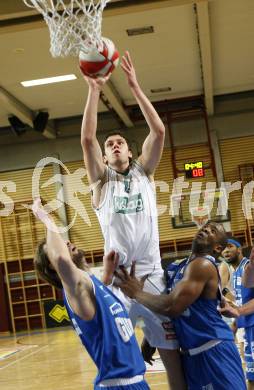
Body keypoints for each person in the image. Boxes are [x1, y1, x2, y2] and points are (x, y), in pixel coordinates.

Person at [81, 51, 186, 389]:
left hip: (152, 275)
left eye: (120, 142)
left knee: (172, 358)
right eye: (109, 143)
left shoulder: (144, 172)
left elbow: (158, 130)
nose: (113, 145)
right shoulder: (101, 182)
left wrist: (134, 86)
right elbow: (86, 140)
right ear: (105, 154)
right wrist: (94, 90)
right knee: (118, 361)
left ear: (129, 152)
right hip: (117, 282)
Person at [32, 199, 150, 390]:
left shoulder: (90, 285)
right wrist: (44, 217)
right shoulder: (73, 286)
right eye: (60, 244)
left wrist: (107, 275)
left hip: (133, 382)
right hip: (119, 385)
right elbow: (60, 258)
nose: (67, 242)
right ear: (53, 268)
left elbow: (99, 311)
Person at [115, 222, 247, 390]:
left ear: (217, 248)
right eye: (205, 227)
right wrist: (152, 337)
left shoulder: (203, 265)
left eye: (212, 231)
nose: (205, 229)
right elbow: (167, 306)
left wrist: (137, 293)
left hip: (214, 349)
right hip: (191, 355)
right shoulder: (176, 267)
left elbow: (173, 306)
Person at [220, 237, 254, 390]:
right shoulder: (236, 272)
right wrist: (234, 326)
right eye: (223, 248)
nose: (225, 251)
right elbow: (241, 301)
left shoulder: (249, 266)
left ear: (239, 249)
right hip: (247, 328)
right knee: (251, 377)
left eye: (229, 247)